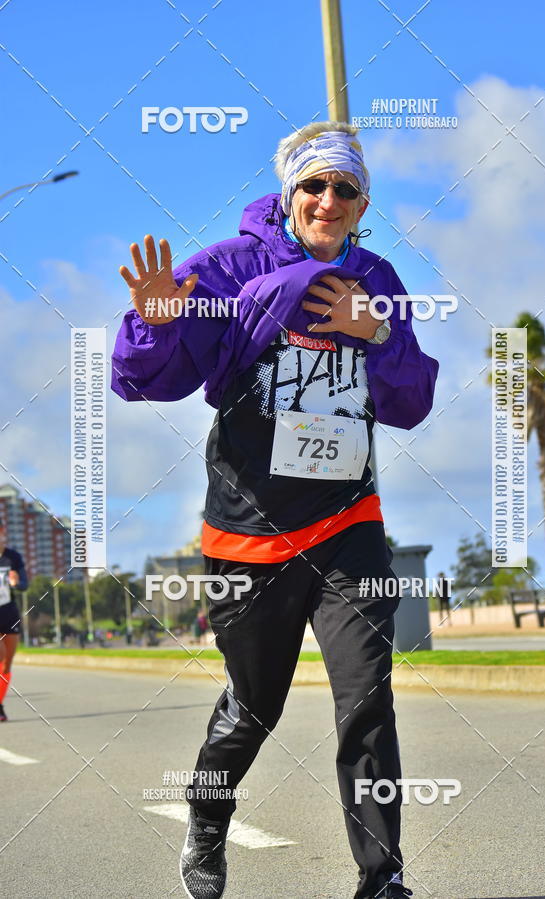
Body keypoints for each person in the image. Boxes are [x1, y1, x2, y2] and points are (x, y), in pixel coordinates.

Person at [112, 122, 439, 899]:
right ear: (290, 193)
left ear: (363, 205)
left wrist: (377, 332)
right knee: (255, 704)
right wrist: (155, 323)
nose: (328, 199)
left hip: (348, 523)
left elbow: (413, 400)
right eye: (314, 185)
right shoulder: (228, 268)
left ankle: (382, 877)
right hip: (250, 532)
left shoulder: (378, 277)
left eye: (345, 188)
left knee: (368, 697)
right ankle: (207, 815)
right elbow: (143, 378)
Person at [0, 520, 28, 722]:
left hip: (9, 612)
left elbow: (24, 585)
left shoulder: (13, 557)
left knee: (6, 665)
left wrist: (16, 583)